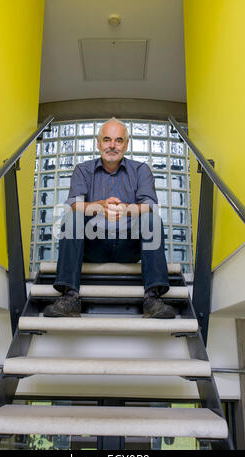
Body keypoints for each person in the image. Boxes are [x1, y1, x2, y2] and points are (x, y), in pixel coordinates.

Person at [44, 117, 175, 319]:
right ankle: (70, 296)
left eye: (118, 140)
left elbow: (150, 205)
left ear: (126, 144)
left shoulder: (141, 170)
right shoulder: (83, 170)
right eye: (107, 139)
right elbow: (73, 204)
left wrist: (126, 209)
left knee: (152, 220)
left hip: (128, 247)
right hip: (93, 246)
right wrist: (99, 206)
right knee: (72, 217)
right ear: (98, 143)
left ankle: (152, 299)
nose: (112, 145)